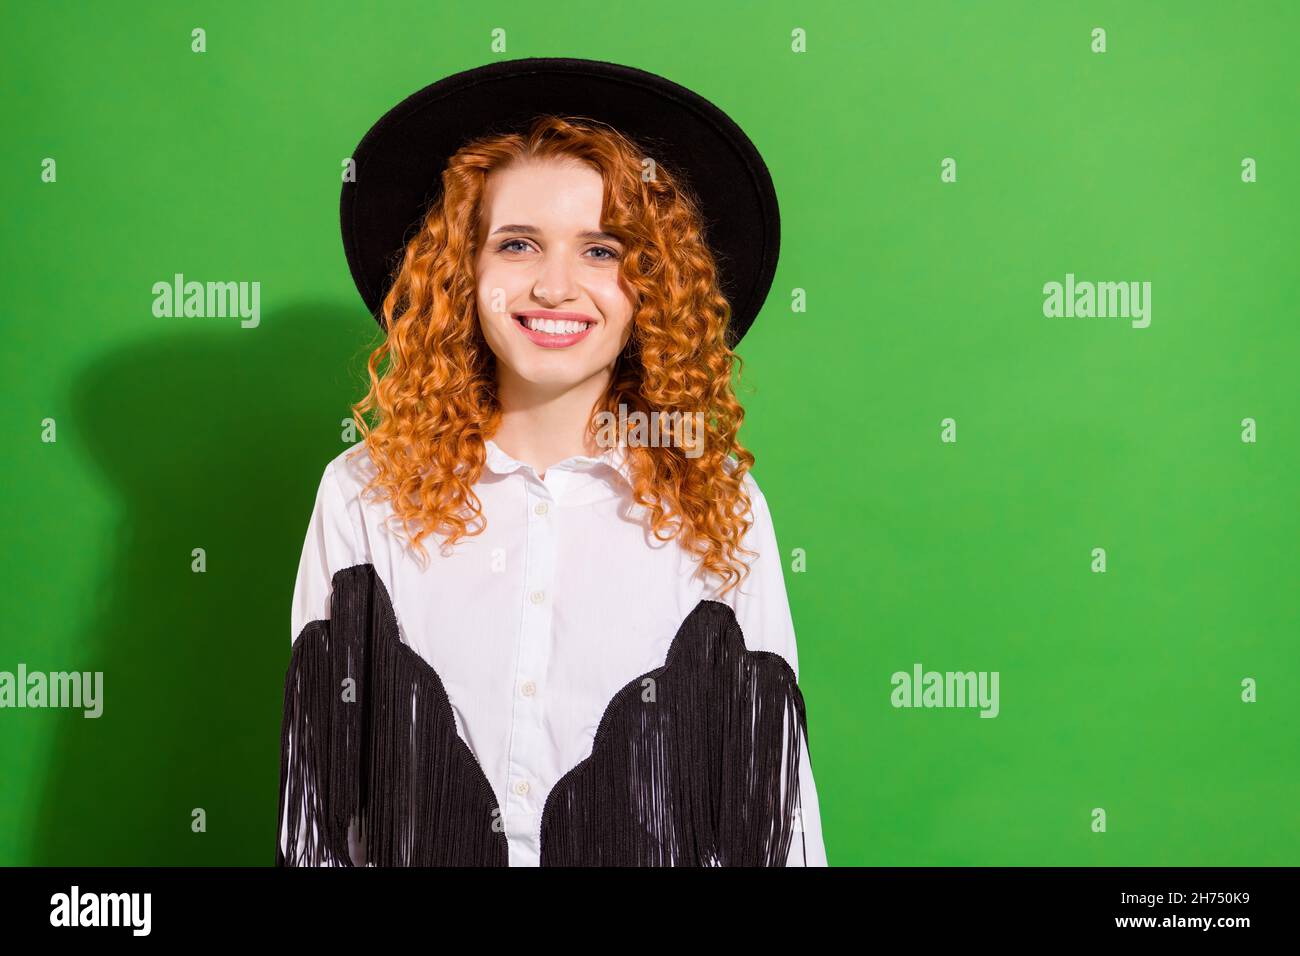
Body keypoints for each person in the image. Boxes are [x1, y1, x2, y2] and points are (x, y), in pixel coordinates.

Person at [277, 58, 828, 866]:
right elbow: (322, 811)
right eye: (518, 244)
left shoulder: (717, 498)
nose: (557, 285)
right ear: (462, 273)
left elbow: (775, 821)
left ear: (653, 287)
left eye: (603, 250)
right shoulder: (364, 492)